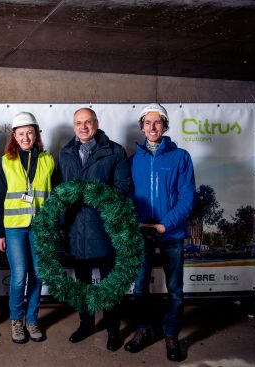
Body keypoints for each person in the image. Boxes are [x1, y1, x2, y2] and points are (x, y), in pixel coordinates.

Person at [124, 103, 195, 362]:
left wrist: (166, 223)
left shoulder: (181, 157)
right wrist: (135, 221)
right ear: (142, 127)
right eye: (148, 122)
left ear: (164, 126)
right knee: (140, 287)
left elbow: (187, 197)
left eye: (158, 122)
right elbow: (127, 197)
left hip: (172, 233)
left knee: (175, 289)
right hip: (141, 232)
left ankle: (171, 334)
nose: (152, 127)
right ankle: (143, 329)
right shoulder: (134, 160)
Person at [57, 107, 131, 352]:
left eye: (88, 122)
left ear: (96, 123)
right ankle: (86, 324)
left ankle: (112, 330)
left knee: (110, 285)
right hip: (77, 230)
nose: (83, 126)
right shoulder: (65, 153)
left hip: (105, 228)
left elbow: (122, 190)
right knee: (83, 284)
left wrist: (96, 197)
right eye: (79, 122)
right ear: (74, 125)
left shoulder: (115, 151)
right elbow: (60, 192)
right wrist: (60, 224)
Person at [0, 112, 55, 344]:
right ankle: (16, 320)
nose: (26, 137)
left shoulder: (48, 160)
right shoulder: (6, 162)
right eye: (21, 133)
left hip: (40, 228)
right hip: (15, 228)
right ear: (14, 137)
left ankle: (31, 320)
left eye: (30, 132)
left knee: (38, 275)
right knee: (19, 276)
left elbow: (55, 196)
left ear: (36, 134)